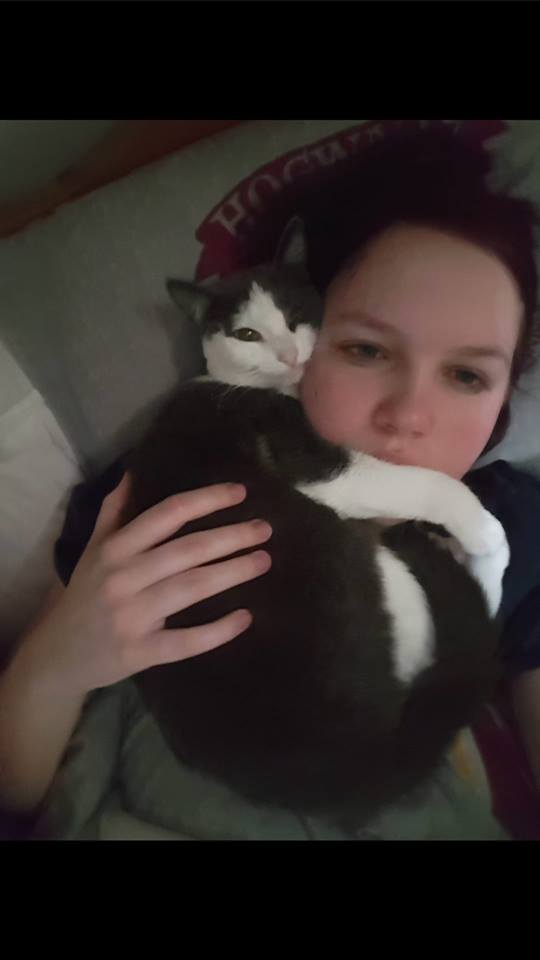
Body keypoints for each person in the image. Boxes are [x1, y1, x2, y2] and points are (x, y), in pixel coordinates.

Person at [2, 126, 540, 839]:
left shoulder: (514, 528)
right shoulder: (172, 487)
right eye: (367, 349)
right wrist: (57, 663)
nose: (409, 414)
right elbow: (13, 791)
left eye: (467, 375)